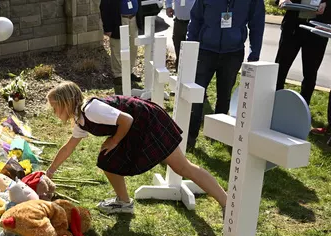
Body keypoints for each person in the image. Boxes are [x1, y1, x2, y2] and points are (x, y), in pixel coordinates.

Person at [45, 81, 227, 215]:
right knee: (107, 159)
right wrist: (50, 172)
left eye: (55, 108)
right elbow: (68, 147)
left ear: (66, 103)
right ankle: (124, 203)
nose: (54, 113)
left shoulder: (91, 109)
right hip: (133, 129)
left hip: (147, 122)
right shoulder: (80, 119)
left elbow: (127, 119)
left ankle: (226, 202)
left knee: (182, 167)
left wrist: (114, 141)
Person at [186, 0, 265, 149]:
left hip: (233, 53)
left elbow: (257, 23)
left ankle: (217, 134)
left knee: (224, 95)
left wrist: (255, 53)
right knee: (196, 95)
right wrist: (190, 45)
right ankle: (190, 136)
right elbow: (196, 17)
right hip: (205, 51)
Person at [274, 0, 330, 134]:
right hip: (293, 26)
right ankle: (274, 106)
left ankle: (302, 112)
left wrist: (326, 4)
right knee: (280, 69)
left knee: (310, 73)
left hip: (317, 29)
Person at [100, 0, 142, 93]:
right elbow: (104, 7)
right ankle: (118, 75)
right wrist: (107, 27)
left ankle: (129, 72)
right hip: (119, 20)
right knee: (117, 48)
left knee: (133, 47)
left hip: (133, 19)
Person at [165, 0, 196, 73]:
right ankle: (179, 72)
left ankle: (190, 74)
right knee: (178, 45)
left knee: (191, 49)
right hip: (179, 22)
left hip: (194, 23)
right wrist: (168, 6)